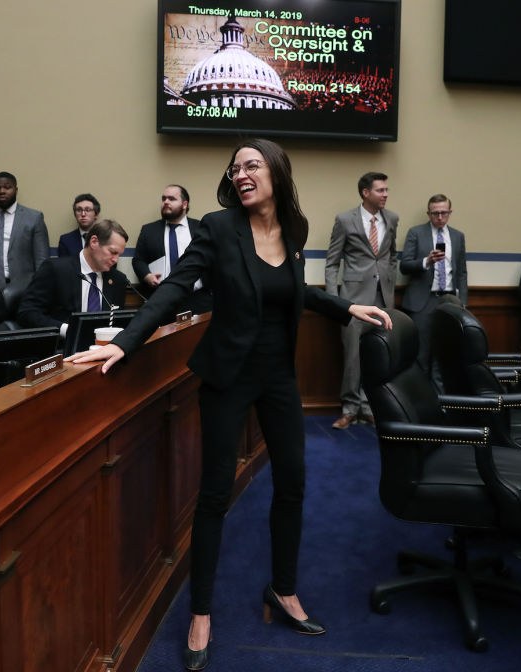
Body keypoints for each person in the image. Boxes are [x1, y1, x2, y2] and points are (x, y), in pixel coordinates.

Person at [65, 139, 391, 670]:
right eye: (235, 167)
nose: (241, 174)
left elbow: (295, 291)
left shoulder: (295, 230)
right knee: (215, 493)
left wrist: (345, 305)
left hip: (279, 377)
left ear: (276, 173)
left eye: (252, 165)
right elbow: (173, 289)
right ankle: (200, 613)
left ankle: (282, 589)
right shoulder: (216, 228)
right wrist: (125, 342)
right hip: (228, 377)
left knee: (293, 482)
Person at [324, 172, 398, 429]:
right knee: (352, 357)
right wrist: (334, 301)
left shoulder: (392, 219)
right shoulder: (345, 220)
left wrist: (390, 281)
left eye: (387, 190)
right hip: (353, 301)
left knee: (376, 356)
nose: (386, 194)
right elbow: (332, 262)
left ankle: (368, 408)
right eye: (381, 190)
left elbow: (392, 255)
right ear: (366, 193)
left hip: (383, 299)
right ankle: (349, 409)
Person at [400, 194, 468, 392]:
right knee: (420, 355)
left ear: (450, 212)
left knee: (444, 354)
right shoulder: (416, 233)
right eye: (435, 213)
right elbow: (404, 266)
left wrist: (462, 301)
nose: (439, 217)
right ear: (428, 213)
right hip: (422, 302)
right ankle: (421, 403)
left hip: (449, 301)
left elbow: (462, 272)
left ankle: (442, 403)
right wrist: (426, 261)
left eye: (443, 213)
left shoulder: (457, 236)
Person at [18, 219, 129, 336]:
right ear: (94, 242)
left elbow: (117, 322)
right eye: (112, 252)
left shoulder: (118, 279)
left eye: (119, 255)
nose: (115, 260)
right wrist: (66, 330)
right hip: (63, 347)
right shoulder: (56, 269)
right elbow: (27, 314)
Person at [131, 185, 212, 321]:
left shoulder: (200, 228)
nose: (166, 202)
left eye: (171, 199)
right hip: (162, 298)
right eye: (164, 199)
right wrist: (147, 276)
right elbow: (138, 260)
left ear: (184, 204)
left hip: (198, 297)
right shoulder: (149, 230)